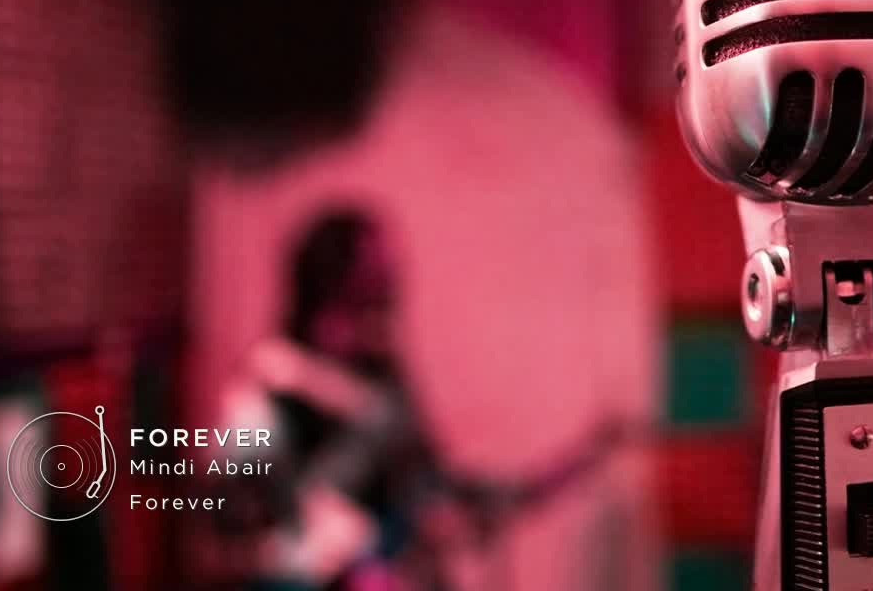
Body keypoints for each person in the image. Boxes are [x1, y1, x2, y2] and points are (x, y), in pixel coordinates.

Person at [212, 206, 624, 590]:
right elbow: (233, 510)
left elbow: (426, 483)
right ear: (334, 272)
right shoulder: (270, 379)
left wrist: (546, 478)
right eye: (376, 262)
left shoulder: (381, 379)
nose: (392, 274)